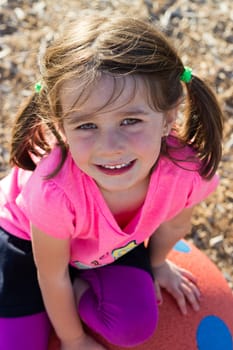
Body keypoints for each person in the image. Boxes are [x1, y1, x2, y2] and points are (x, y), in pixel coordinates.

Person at [0, 14, 223, 350]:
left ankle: (80, 284)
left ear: (169, 117)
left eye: (131, 120)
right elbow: (50, 273)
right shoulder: (53, 191)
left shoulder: (185, 170)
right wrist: (73, 339)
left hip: (102, 248)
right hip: (26, 246)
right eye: (86, 126)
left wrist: (158, 265)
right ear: (61, 127)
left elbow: (174, 225)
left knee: (133, 327)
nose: (110, 146)